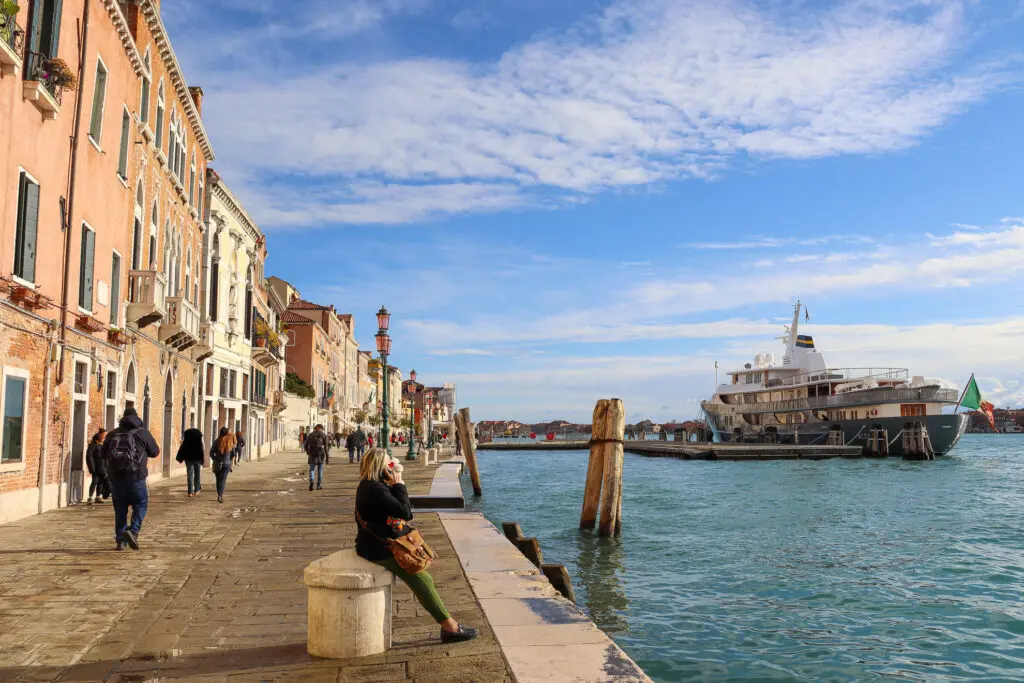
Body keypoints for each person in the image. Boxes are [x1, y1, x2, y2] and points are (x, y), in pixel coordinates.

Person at [356, 448, 477, 643]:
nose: (392, 467)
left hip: (380, 543)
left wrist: (394, 485)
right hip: (379, 548)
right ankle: (450, 627)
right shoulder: (373, 489)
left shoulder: (372, 486)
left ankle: (448, 625)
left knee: (423, 575)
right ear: (380, 466)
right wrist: (399, 484)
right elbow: (405, 511)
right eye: (389, 464)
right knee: (421, 577)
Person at [103, 407, 159, 550]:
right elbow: (155, 452)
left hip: (116, 478)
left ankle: (121, 541)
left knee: (120, 510)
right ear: (137, 418)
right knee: (141, 504)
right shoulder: (142, 433)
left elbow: (103, 453)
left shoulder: (113, 434)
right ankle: (133, 531)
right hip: (136, 477)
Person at [176, 428, 205, 497]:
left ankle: (190, 491)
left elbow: (182, 449)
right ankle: (197, 489)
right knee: (197, 474)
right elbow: (202, 451)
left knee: (190, 475)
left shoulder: (186, 442)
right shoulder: (199, 442)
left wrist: (180, 458)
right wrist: (202, 460)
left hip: (188, 459)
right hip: (197, 458)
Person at [210, 427, 235, 504]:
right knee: (223, 480)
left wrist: (215, 459)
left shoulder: (216, 442)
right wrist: (229, 460)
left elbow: (211, 453)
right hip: (226, 464)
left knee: (218, 480)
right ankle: (220, 496)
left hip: (217, 463)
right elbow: (233, 454)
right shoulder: (230, 442)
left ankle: (219, 495)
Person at [86, 429, 108, 504]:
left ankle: (98, 496)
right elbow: (89, 456)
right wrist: (92, 467)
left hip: (103, 466)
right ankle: (90, 497)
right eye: (104, 435)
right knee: (95, 481)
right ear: (100, 434)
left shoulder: (104, 444)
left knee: (101, 481)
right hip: (96, 465)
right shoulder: (93, 444)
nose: (105, 436)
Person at [304, 423, 330, 491]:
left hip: (312, 455)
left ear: (316, 428)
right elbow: (326, 448)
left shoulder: (310, 435)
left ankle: (311, 481)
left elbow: (306, 445)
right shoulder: (324, 436)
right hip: (321, 455)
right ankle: (318, 485)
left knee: (312, 470)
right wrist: (327, 458)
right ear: (320, 428)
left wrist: (308, 452)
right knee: (320, 470)